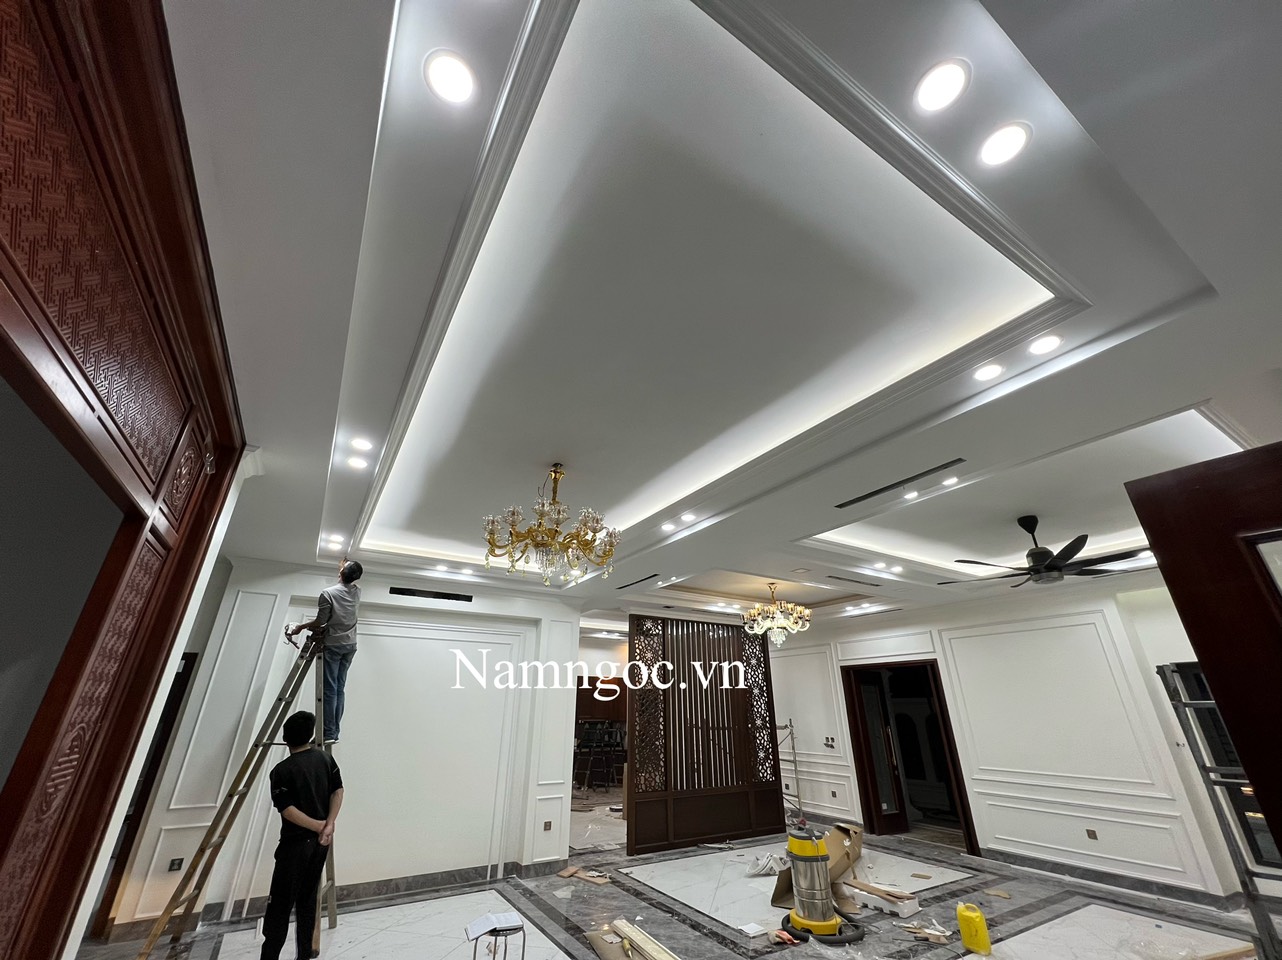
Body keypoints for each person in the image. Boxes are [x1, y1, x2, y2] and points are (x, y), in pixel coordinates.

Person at [260, 711, 343, 960]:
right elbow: (338, 791)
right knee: (307, 901)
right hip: (320, 845)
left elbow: (287, 810)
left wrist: (318, 826)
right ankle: (304, 955)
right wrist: (328, 825)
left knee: (280, 907)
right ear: (310, 735)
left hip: (295, 846)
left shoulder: (282, 771)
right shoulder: (325, 759)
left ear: (285, 738)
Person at [288, 559, 362, 742]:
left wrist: (300, 627)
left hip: (334, 645)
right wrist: (345, 567)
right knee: (339, 688)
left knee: (329, 690)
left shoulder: (328, 593)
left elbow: (320, 621)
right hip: (350, 645)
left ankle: (328, 732)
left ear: (341, 573)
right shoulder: (357, 591)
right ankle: (334, 732)